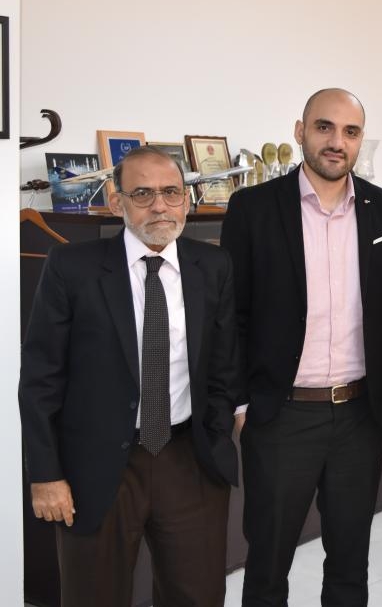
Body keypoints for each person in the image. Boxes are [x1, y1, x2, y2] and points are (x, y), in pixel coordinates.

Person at [19, 146, 239, 607]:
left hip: (189, 461)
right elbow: (41, 379)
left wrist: (216, 434)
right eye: (143, 193)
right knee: (93, 597)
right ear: (117, 203)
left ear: (186, 200)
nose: (160, 205)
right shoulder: (72, 269)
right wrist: (45, 474)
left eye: (171, 192)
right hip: (95, 470)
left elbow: (222, 365)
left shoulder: (212, 266)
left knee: (198, 596)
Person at [220, 88, 382, 606]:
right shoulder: (252, 207)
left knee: (350, 563)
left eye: (350, 132)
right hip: (282, 416)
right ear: (299, 131)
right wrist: (241, 402)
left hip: (359, 416)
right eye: (325, 127)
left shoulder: (381, 207)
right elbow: (230, 315)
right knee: (268, 565)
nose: (337, 142)